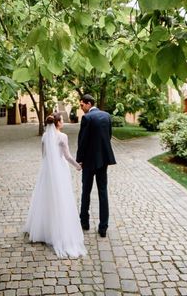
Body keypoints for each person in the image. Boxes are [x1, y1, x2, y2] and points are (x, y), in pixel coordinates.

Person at [23, 113, 86, 258]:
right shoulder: (62, 136)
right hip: (60, 170)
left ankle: (44, 229)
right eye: (62, 120)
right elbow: (68, 156)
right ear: (57, 123)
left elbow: (43, 155)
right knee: (61, 197)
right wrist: (78, 166)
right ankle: (58, 229)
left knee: (46, 197)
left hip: (47, 170)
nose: (63, 122)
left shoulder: (45, 136)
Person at [76, 94, 116, 238]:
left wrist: (79, 159)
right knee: (103, 192)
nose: (81, 108)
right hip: (103, 160)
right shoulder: (106, 116)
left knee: (86, 191)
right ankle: (103, 227)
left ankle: (84, 222)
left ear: (88, 104)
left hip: (88, 161)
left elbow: (83, 140)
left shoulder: (87, 118)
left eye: (82, 105)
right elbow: (109, 136)